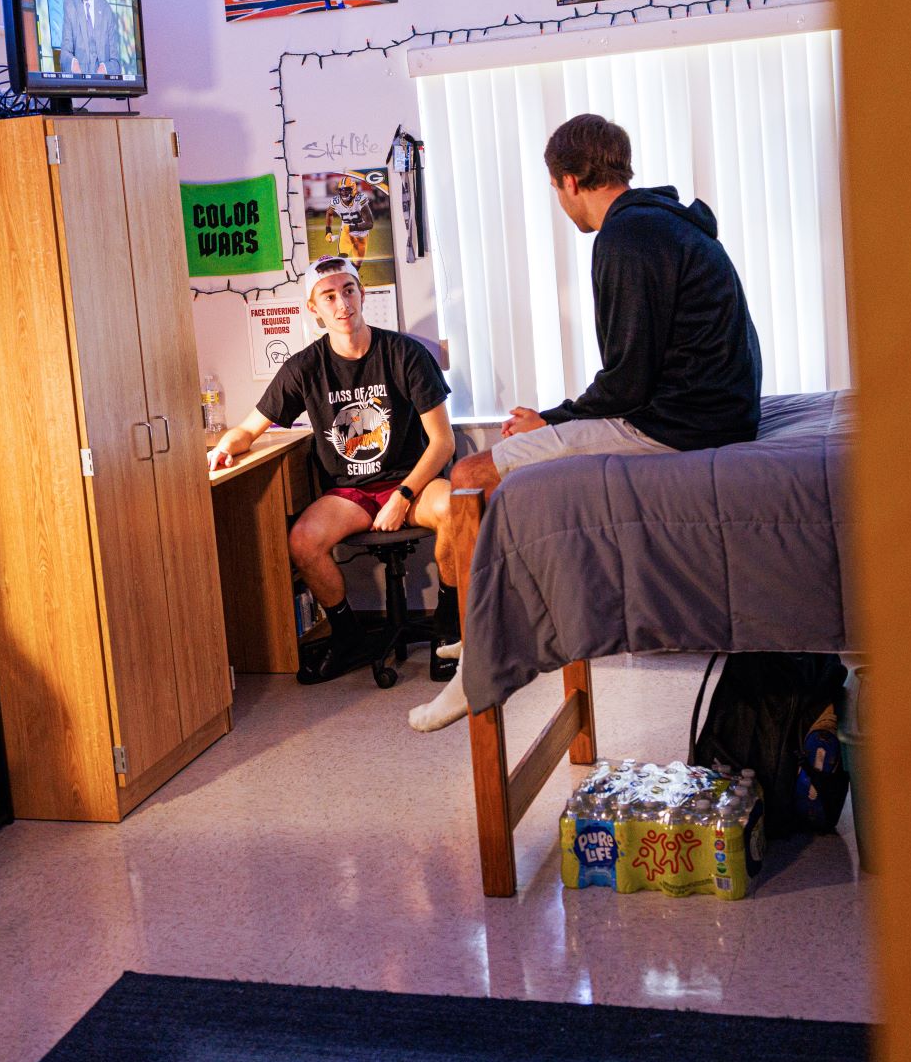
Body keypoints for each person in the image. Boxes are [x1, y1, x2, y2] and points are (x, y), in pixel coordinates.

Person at [408, 112, 763, 733]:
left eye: (555, 189)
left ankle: (476, 666)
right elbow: (636, 372)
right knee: (498, 474)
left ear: (570, 181)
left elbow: (626, 384)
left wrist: (549, 422)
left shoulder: (626, 238)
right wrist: (551, 422)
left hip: (677, 425)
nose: (560, 202)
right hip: (707, 412)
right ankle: (485, 631)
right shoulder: (664, 222)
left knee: (469, 475)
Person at [209, 256, 455, 684]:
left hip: (411, 482)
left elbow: (442, 443)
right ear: (314, 308)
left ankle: (449, 629)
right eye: (329, 296)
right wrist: (226, 447)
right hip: (351, 494)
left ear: (362, 294)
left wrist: (403, 496)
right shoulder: (304, 368)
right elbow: (249, 429)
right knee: (303, 542)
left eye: (348, 290)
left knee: (456, 509)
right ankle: (349, 638)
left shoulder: (405, 354)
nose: (342, 303)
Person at [322, 175, 376, 262]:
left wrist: (351, 227)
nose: (343, 193)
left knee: (357, 264)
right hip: (346, 232)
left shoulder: (359, 199)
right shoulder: (336, 201)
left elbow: (369, 224)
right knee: (341, 259)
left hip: (361, 234)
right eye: (341, 190)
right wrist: (328, 231)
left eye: (346, 190)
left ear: (353, 189)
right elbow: (329, 213)